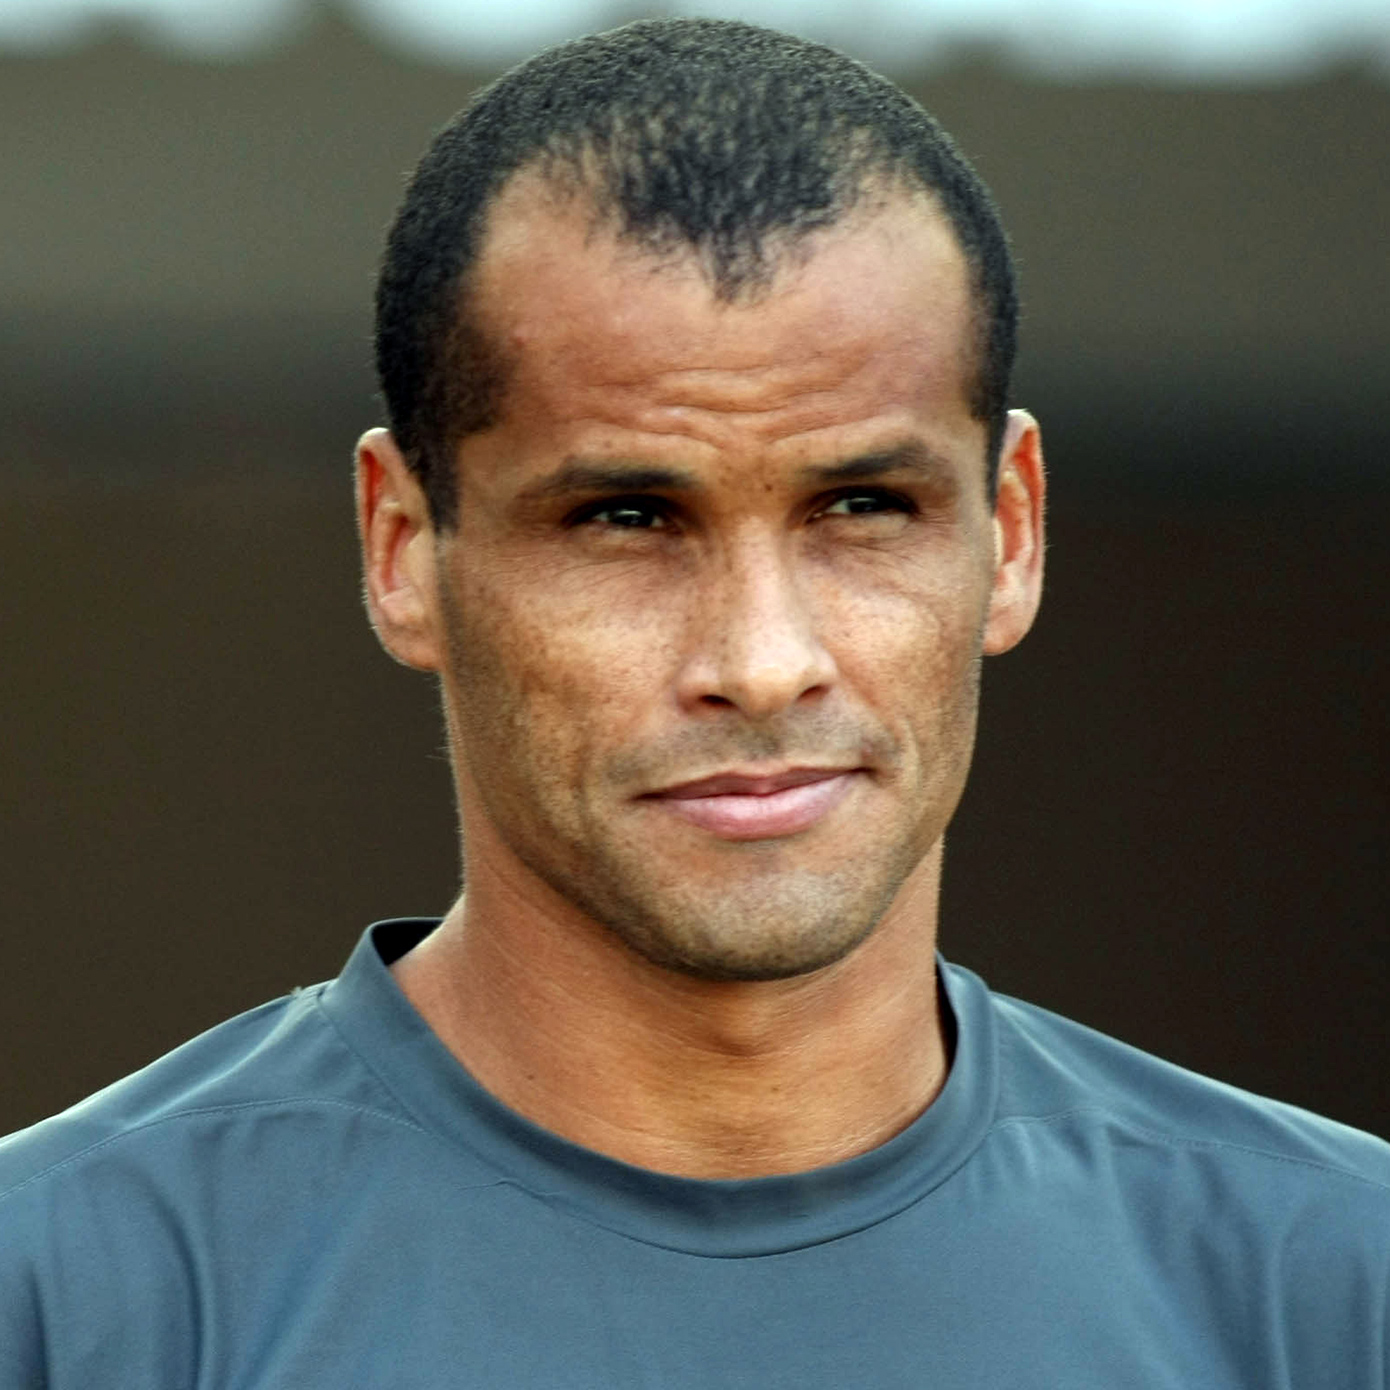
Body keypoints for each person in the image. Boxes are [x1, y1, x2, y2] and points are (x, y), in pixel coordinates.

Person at [2, 17, 1387, 1387]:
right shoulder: (67, 1296)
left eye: (863, 505)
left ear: (1011, 532)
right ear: (403, 550)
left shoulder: (1330, 1285)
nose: (763, 658)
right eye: (625, 516)